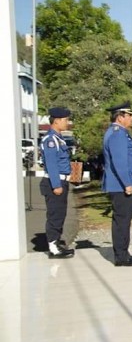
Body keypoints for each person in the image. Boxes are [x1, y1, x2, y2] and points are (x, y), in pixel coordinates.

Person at [102, 102, 132, 267]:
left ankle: (124, 252)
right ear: (120, 117)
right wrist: (127, 183)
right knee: (122, 221)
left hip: (123, 184)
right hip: (122, 185)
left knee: (124, 220)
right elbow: (119, 161)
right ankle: (121, 256)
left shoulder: (120, 133)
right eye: (130, 115)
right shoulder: (117, 134)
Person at [40, 107, 75, 259]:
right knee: (55, 214)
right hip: (55, 182)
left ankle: (57, 242)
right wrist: (56, 185)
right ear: (57, 120)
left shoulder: (58, 138)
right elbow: (52, 164)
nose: (68, 122)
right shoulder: (51, 140)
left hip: (62, 180)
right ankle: (53, 247)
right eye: (66, 120)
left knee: (60, 214)